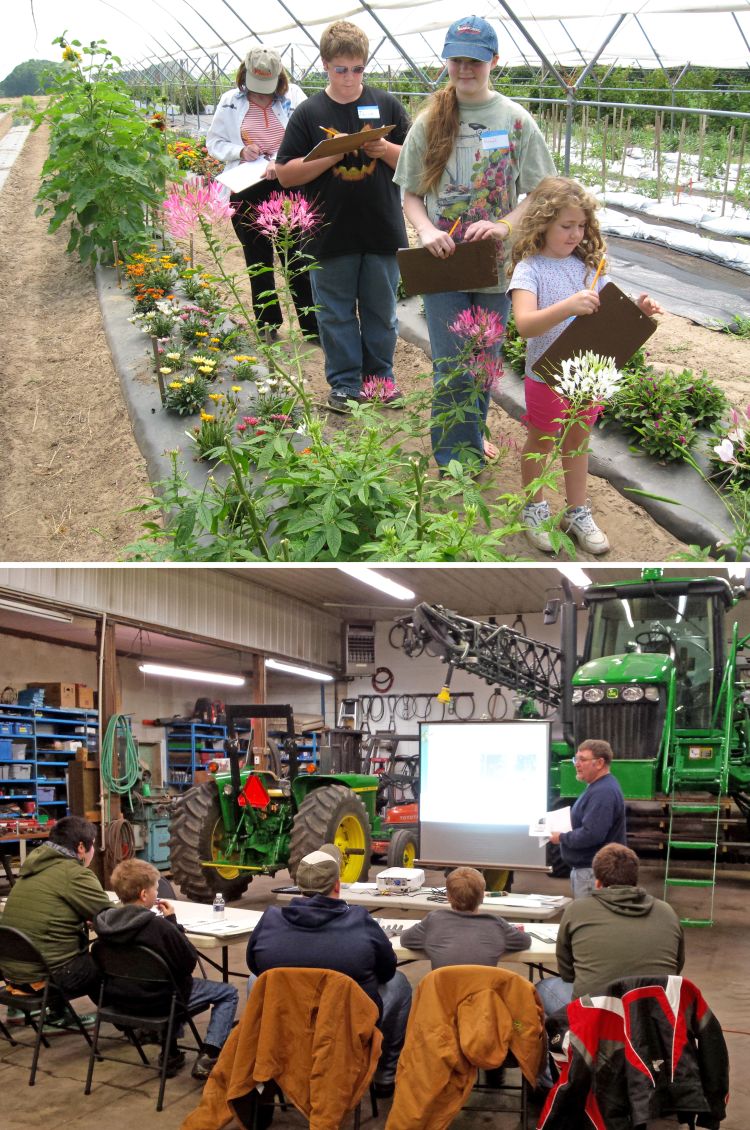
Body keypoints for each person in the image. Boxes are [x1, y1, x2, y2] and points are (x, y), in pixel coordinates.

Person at [394, 15, 555, 469]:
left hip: (495, 265)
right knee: (450, 363)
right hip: (443, 263)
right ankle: (452, 456)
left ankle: (472, 432)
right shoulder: (429, 123)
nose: (466, 69)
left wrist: (505, 225)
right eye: (458, 60)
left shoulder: (515, 120)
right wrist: (426, 231)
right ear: (447, 61)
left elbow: (541, 191)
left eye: (476, 61)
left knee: (483, 361)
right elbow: (410, 193)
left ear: (494, 62)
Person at [508, 176, 664, 553]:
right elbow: (525, 324)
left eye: (581, 226)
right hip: (546, 377)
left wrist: (637, 312)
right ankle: (535, 508)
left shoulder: (589, 266)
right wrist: (568, 306)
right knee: (541, 443)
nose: (576, 234)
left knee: (577, 445)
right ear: (542, 223)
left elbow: (607, 312)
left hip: (587, 376)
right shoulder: (530, 269)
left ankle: (576, 511)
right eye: (566, 226)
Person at [275, 21, 410, 414]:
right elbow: (285, 173)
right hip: (327, 233)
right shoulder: (309, 112)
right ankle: (346, 385)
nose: (350, 78)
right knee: (334, 315)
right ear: (325, 65)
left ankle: (381, 380)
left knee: (381, 313)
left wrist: (384, 149)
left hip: (382, 230)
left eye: (357, 69)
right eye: (341, 69)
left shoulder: (387, 105)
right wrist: (331, 154)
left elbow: (418, 164)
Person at [246, 843, 412, 1096]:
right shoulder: (361, 922)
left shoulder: (269, 920)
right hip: (346, 1028)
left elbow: (254, 965)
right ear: (337, 885)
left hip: (287, 1024)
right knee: (399, 983)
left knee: (256, 981)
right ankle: (384, 1076)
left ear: (299, 886)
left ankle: (265, 1068)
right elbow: (387, 970)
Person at [206, 47, 318, 341]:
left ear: (280, 79)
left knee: (297, 254)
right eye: (256, 90)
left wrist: (280, 159)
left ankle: (311, 325)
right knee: (257, 256)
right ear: (245, 77)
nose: (263, 95)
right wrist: (240, 151)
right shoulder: (230, 102)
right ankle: (268, 323)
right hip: (247, 186)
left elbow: (310, 135)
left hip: (289, 182)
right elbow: (215, 142)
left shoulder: (295, 97)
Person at [93, 859, 238, 1081]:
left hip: (121, 999)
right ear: (144, 895)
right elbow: (188, 961)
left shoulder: (104, 925)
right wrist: (173, 923)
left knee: (165, 979)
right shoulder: (158, 927)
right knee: (227, 992)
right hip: (160, 1001)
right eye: (155, 888)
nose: (157, 891)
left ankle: (171, 1052)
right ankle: (209, 1053)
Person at [534, 843, 684, 1018]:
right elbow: (677, 966)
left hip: (596, 1019)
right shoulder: (667, 912)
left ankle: (560, 1041)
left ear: (597, 882)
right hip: (653, 1017)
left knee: (540, 989)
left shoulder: (577, 910)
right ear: (634, 879)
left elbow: (567, 972)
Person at [0, 815, 111, 1027]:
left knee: (56, 947)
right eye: (93, 846)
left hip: (12, 975)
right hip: (45, 978)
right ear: (81, 847)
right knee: (103, 959)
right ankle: (130, 1023)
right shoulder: (75, 874)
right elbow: (112, 917)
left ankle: (54, 1014)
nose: (93, 851)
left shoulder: (30, 869)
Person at [399, 865, 531, 969]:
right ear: (482, 897)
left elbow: (405, 939)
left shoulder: (434, 920)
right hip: (483, 1001)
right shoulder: (496, 924)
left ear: (448, 897)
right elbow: (525, 941)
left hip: (441, 1001)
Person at [549, 738, 627, 899]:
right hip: (588, 872)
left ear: (599, 763)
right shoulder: (599, 787)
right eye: (575, 759)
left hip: (592, 874)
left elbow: (592, 834)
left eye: (582, 759)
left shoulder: (603, 792)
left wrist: (561, 837)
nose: (576, 764)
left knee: (590, 920)